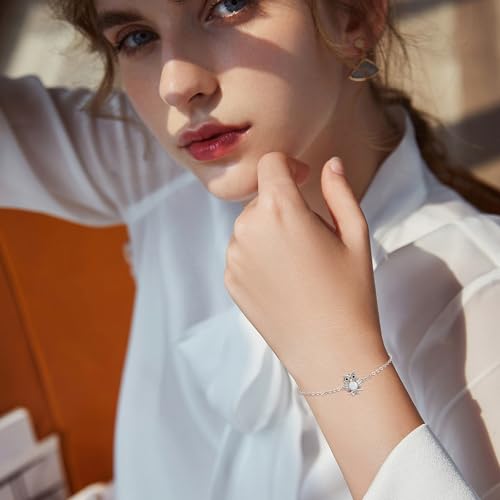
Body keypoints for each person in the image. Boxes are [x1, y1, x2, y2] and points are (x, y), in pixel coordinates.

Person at [1, 0, 499, 498]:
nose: (175, 84)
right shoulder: (156, 163)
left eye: (228, 5)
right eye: (136, 37)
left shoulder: (480, 300)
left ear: (356, 15)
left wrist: (336, 355)